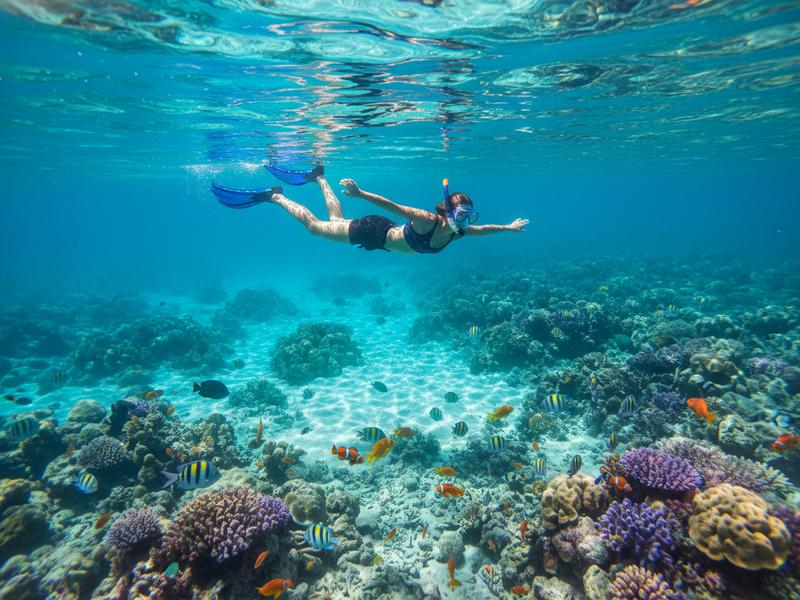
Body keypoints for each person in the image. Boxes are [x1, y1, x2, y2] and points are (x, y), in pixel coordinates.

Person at [211, 165, 528, 253]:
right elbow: (392, 205)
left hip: (380, 234)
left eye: (468, 216)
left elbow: (486, 230)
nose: (466, 222)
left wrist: (511, 228)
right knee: (315, 227)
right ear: (447, 211)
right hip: (372, 230)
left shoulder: (456, 234)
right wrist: (360, 193)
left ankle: (319, 176)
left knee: (336, 219)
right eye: (461, 215)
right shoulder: (428, 220)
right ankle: (275, 196)